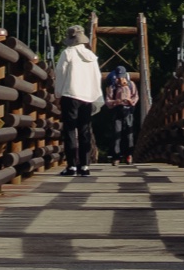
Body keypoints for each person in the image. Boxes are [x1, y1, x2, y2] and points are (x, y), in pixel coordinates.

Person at [53, 25, 102, 175]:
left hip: (70, 95)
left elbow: (60, 75)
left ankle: (72, 166)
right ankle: (85, 166)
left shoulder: (67, 53)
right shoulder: (91, 57)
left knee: (69, 130)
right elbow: (97, 77)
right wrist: (95, 95)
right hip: (87, 97)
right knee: (84, 130)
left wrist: (57, 95)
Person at [103, 64, 139, 164]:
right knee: (116, 133)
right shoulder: (112, 86)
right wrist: (116, 101)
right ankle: (116, 157)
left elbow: (136, 97)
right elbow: (108, 101)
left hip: (128, 110)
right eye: (119, 76)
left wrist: (131, 101)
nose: (120, 78)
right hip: (117, 110)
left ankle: (129, 155)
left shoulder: (131, 84)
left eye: (122, 76)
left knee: (129, 134)